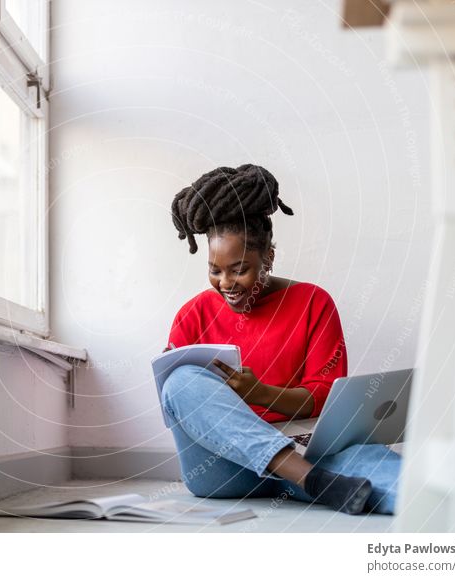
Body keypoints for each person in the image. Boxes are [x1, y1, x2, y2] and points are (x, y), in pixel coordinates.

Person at [161, 164, 400, 515]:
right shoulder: (191, 314)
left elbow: (325, 398)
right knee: (179, 382)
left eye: (239, 269)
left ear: (268, 257)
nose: (226, 283)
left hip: (307, 451)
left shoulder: (312, 303)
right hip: (223, 468)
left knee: (378, 465)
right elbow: (179, 405)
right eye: (215, 270)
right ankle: (312, 480)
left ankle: (312, 478)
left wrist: (260, 395)